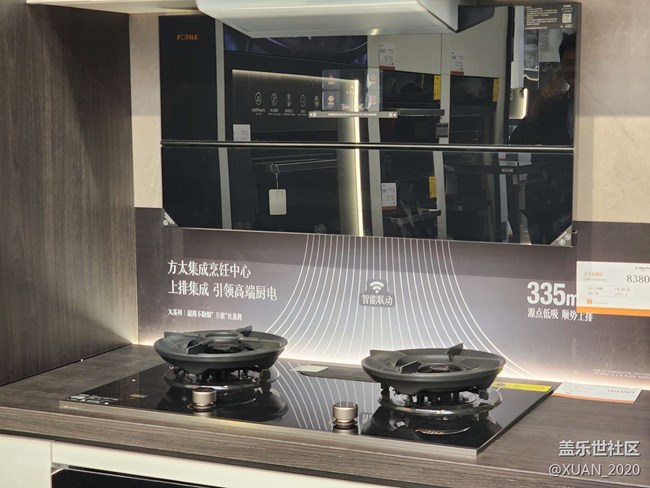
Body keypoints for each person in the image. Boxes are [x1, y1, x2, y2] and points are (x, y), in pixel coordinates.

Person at [510, 32, 576, 244]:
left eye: (580, 63)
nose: (574, 69)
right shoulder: (553, 105)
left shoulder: (608, 109)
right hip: (547, 206)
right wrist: (542, 101)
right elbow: (517, 143)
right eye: (568, 63)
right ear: (561, 67)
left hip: (586, 201)